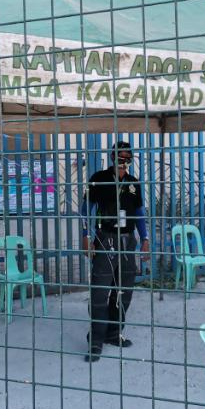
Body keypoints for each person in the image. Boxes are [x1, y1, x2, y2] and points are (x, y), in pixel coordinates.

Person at [80, 141, 150, 362]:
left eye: (128, 157)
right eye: (120, 156)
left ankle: (114, 333)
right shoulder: (98, 179)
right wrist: (86, 236)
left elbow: (139, 212)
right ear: (112, 157)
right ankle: (95, 341)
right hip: (105, 239)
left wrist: (145, 238)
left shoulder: (133, 183)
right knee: (100, 292)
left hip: (128, 242)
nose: (124, 161)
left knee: (124, 291)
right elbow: (85, 210)